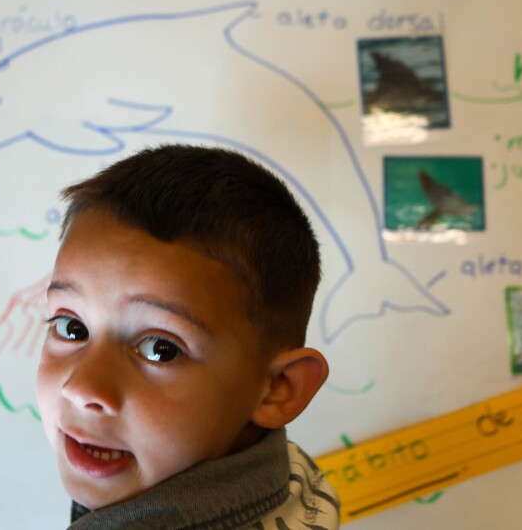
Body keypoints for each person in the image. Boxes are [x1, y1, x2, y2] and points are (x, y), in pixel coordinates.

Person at [36, 144, 340, 529]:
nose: (82, 388)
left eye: (160, 349)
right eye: (72, 328)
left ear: (280, 387)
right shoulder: (290, 476)